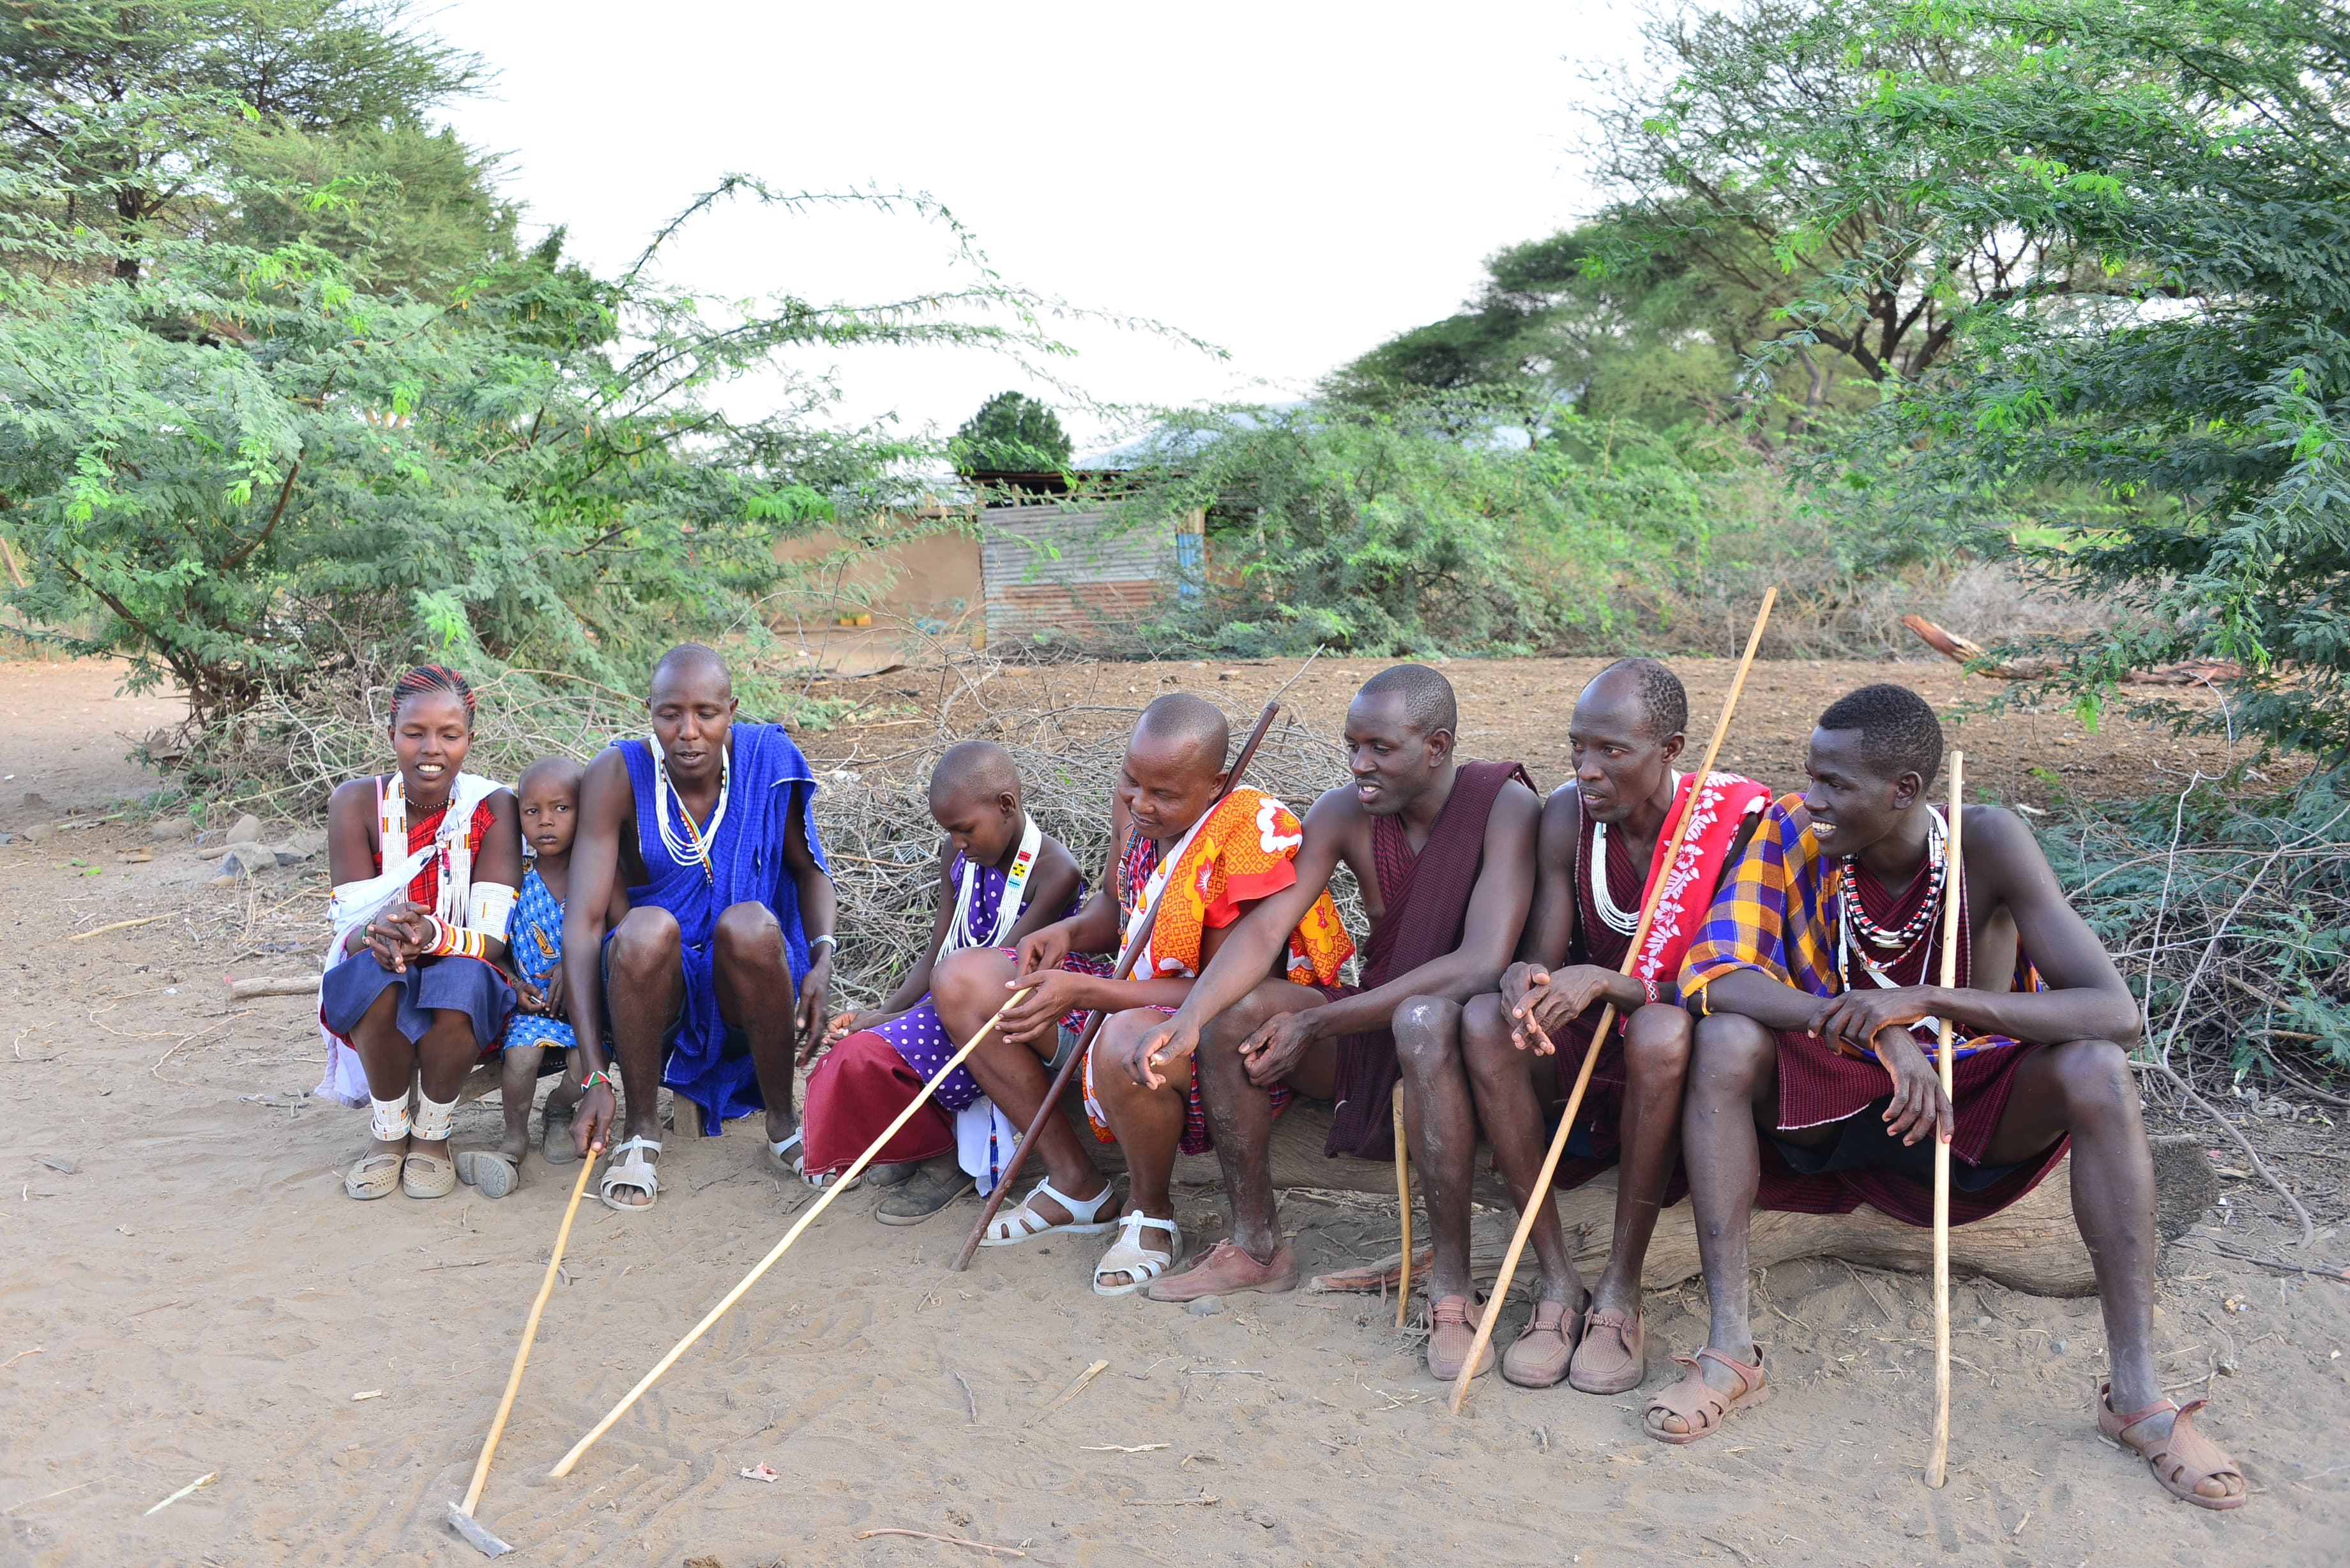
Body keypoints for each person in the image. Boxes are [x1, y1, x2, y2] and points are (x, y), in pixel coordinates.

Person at [1656, 684, 2243, 1512]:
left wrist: (1929, 1001)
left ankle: (2137, 1395)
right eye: (1811, 776)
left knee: (2098, 1070)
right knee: (1724, 1039)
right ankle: (1729, 1351)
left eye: (1835, 783)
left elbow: (2113, 1013)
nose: (1811, 797)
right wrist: (1875, 1030)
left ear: (1904, 790)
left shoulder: (1986, 840)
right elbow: (1713, 974)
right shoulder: (1792, 828)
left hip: (1970, 1103)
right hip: (1832, 1091)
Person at [1129, 664, 1538, 1313]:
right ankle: (1257, 1245)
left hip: (1466, 1034)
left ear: (1436, 746)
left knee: (1427, 1021)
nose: (1359, 764)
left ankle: (1451, 1281)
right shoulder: (1342, 811)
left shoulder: (1504, 806)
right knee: (1235, 1014)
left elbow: (1481, 962)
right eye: (1352, 745)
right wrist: (1191, 1017)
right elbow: (1267, 927)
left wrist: (1317, 1023)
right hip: (1371, 1021)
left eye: (1380, 748)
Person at [926, 693, 1353, 1295]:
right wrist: (1069, 933)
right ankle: (1075, 1184)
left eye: (1165, 794)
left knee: (1129, 1037)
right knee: (964, 979)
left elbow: (1220, 989)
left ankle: (1150, 1214)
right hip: (1131, 989)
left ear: (1215, 785)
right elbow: (1116, 905)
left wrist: (1090, 991)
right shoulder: (1135, 810)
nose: (1141, 803)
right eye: (1132, 780)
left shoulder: (1240, 837)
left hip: (1220, 1033)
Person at [1439, 659, 1770, 1389]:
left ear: (1670, 749)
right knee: (1486, 1022)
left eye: (1611, 751)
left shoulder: (1735, 822)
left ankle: (1620, 1287)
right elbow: (1545, 948)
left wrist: (1620, 983)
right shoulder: (1567, 813)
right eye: (1576, 746)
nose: (1586, 768)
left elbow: (1734, 980)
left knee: (1659, 1030)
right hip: (1589, 1031)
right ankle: (1556, 1276)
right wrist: (1525, 976)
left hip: (1682, 1035)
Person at [561, 644, 838, 1212]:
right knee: (645, 928)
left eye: (706, 714)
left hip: (745, 992)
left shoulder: (767, 760)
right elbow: (584, 924)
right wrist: (594, 1074)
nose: (688, 732)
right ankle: (640, 1131)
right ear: (649, 711)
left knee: (750, 923)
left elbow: (811, 871)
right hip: (656, 998)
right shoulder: (619, 772)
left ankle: (784, 1124)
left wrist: (823, 960)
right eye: (670, 714)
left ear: (731, 710)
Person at [798, 739, 1102, 1221]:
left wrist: (889, 1022)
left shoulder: (1054, 872)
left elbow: (996, 976)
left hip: (1005, 1011)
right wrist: (882, 1012)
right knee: (858, 1048)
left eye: (965, 829)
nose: (958, 842)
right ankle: (925, 1144)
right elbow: (938, 952)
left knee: (867, 1054)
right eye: (951, 832)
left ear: (1006, 806)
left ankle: (949, 1160)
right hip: (955, 998)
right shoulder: (959, 856)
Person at [319, 665, 523, 1202]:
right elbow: (349, 927)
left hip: (463, 957)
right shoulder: (356, 804)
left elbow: (491, 939)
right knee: (374, 975)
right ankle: (388, 1133)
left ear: (470, 739)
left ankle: (432, 1135)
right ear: (392, 734)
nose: (432, 749)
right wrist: (379, 933)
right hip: (381, 957)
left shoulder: (492, 806)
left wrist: (430, 935)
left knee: (463, 981)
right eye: (415, 733)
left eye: (449, 735)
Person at [450, 754, 612, 1198]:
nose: (546, 822)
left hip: (585, 1007)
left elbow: (612, 936)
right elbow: (495, 944)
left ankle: (558, 1110)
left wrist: (573, 966)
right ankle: (514, 1135)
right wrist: (514, 984)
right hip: (531, 1005)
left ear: (584, 810)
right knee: (520, 1058)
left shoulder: (595, 870)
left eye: (561, 808)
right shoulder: (514, 876)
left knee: (584, 1068)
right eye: (532, 811)